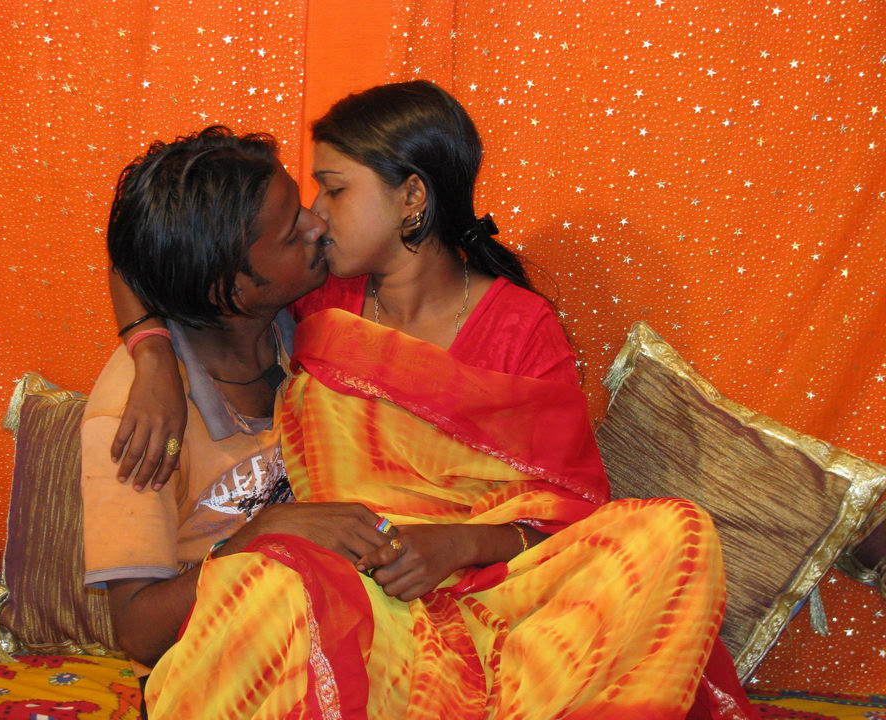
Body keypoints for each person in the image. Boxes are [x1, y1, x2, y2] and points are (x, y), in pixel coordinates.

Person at [110, 82, 758, 719]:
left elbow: (567, 519)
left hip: (504, 601)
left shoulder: (521, 328)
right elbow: (154, 249)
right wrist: (151, 352)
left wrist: (456, 545)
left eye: (334, 189)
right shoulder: (320, 298)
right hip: (363, 601)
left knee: (672, 532)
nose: (316, 215)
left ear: (411, 196)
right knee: (266, 581)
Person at [81, 127, 406, 711]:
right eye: (290, 232)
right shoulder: (136, 419)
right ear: (228, 286)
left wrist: (149, 343)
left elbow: (131, 263)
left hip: (339, 633)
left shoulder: (308, 326)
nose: (317, 225)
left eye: (301, 206)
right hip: (215, 676)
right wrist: (261, 535)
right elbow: (138, 632)